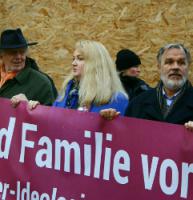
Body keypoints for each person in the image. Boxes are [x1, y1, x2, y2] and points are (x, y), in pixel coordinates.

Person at [12, 40, 129, 118]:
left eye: (80, 59)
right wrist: (34, 109)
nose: (74, 63)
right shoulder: (67, 93)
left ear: (96, 64)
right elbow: (51, 123)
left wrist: (107, 122)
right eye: (73, 59)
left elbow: (115, 141)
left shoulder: (117, 98)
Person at [124, 43, 193, 130]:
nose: (175, 67)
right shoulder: (137, 104)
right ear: (159, 67)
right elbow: (125, 138)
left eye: (181, 62)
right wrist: (108, 121)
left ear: (188, 68)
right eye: (169, 62)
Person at [0, 28, 55, 105]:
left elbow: (51, 115)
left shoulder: (41, 83)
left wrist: (29, 109)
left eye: (22, 52)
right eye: (13, 53)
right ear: (1, 55)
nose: (19, 57)